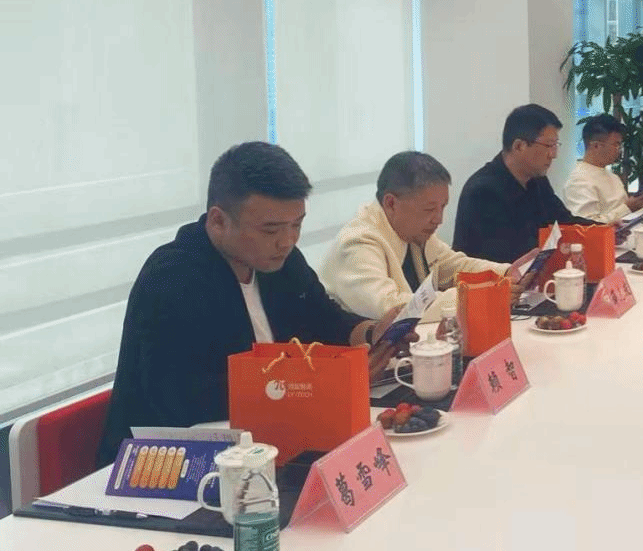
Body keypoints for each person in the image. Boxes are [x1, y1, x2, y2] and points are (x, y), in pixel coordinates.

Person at [97, 142, 413, 465]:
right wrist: (324, 387)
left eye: (297, 225)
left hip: (274, 440)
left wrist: (372, 332)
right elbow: (183, 397)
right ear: (218, 221)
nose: (287, 241)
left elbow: (324, 318)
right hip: (171, 463)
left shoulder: (279, 261)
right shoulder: (172, 278)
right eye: (270, 229)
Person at [320, 151, 521, 321]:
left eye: (443, 207)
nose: (439, 219)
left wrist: (506, 272)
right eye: (429, 209)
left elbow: (453, 266)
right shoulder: (357, 243)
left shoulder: (414, 231)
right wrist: (479, 297)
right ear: (391, 203)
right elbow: (392, 308)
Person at [452, 104, 597, 263]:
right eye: (549, 145)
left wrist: (607, 229)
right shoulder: (483, 192)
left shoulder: (537, 180)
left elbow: (564, 221)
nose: (553, 155)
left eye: (556, 145)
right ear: (519, 146)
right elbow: (504, 258)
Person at [563, 114, 643, 223]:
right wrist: (627, 208)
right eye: (616, 145)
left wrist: (638, 204)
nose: (619, 150)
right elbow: (588, 226)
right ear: (596, 146)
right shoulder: (579, 181)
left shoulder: (612, 176)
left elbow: (624, 209)